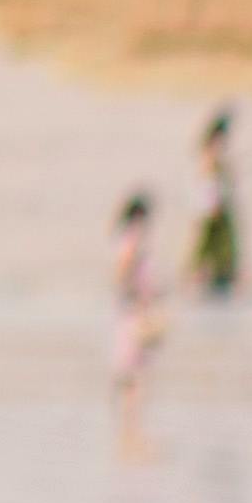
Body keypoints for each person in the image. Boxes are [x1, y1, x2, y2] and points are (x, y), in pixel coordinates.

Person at [109, 188, 167, 458]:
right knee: (136, 381)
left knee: (132, 381)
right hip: (133, 319)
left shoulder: (128, 243)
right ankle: (131, 438)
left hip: (130, 316)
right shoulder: (131, 244)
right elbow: (122, 277)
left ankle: (130, 438)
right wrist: (141, 302)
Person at [187, 106, 245, 306]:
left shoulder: (215, 156)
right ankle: (197, 282)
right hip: (212, 209)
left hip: (217, 208)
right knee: (208, 248)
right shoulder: (210, 156)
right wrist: (211, 206)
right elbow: (208, 183)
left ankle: (216, 282)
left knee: (216, 248)